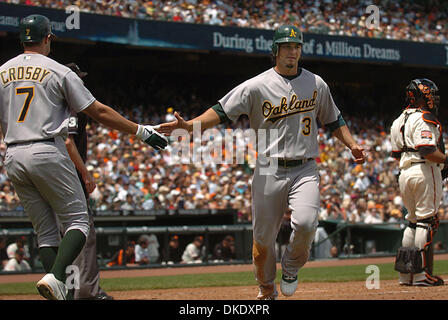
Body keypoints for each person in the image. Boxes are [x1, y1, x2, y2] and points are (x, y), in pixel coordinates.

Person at [157, 24, 365, 299]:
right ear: (275, 51)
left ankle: (290, 267)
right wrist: (191, 126)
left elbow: (333, 119)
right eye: (287, 46)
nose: (292, 51)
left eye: (297, 46)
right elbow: (221, 111)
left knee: (305, 223)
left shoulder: (316, 83)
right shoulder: (255, 85)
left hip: (305, 166)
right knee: (262, 242)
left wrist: (351, 144)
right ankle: (266, 287)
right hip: (268, 166)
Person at [0, 14, 167, 300]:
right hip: (46, 149)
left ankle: (58, 290)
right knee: (78, 222)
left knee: (46, 233)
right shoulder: (58, 71)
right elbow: (98, 111)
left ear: (21, 39)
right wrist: (141, 131)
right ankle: (55, 277)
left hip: (13, 155)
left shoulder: (2, 71)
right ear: (48, 38)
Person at [63, 62, 113, 300]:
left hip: (49, 175)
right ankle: (87, 293)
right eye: (79, 78)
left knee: (63, 237)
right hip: (69, 178)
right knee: (84, 234)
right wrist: (85, 173)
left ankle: (68, 291)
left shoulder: (52, 106)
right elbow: (69, 142)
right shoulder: (72, 107)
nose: (82, 82)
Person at [390, 78, 445, 286]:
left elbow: (397, 153)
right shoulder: (423, 117)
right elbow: (427, 150)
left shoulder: (398, 119)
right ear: (423, 95)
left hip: (405, 171)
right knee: (426, 221)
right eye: (432, 93)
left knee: (412, 222)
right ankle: (422, 275)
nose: (434, 97)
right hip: (423, 168)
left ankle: (406, 275)